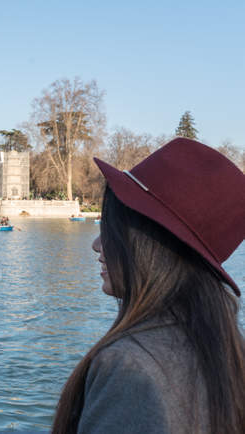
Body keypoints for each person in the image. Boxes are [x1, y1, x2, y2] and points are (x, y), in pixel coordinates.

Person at [52, 138, 245, 434]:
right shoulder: (231, 354)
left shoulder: (130, 367)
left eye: (109, 228)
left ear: (146, 243)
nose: (95, 245)